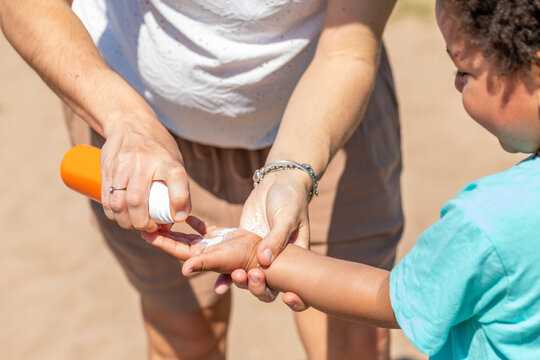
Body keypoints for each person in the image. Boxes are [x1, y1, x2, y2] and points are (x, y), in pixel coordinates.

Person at [0, 0, 403, 358]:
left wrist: (290, 171)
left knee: (354, 345)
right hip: (134, 126)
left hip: (323, 123)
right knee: (184, 338)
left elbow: (347, 51)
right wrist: (126, 120)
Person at [144, 0, 540, 358]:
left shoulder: (488, 223)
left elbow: (390, 301)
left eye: (463, 69)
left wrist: (254, 256)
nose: (457, 83)